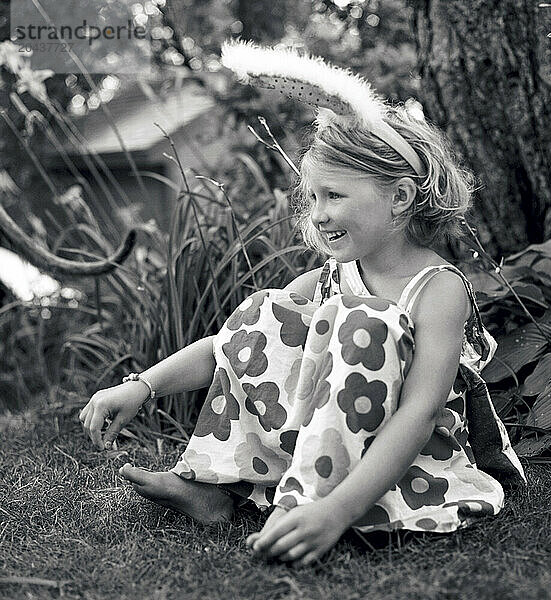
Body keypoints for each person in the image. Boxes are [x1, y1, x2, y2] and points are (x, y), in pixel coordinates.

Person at [79, 41, 525, 568]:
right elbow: (229, 347)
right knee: (264, 312)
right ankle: (211, 486)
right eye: (312, 198)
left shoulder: (436, 289)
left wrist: (337, 510)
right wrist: (142, 385)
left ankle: (311, 506)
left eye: (334, 196)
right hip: (325, 442)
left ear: (401, 199)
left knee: (366, 326)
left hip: (404, 462)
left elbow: (420, 414)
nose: (317, 215)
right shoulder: (334, 276)